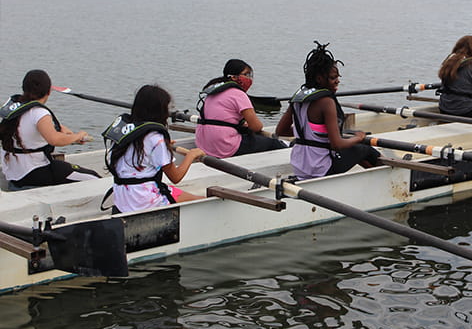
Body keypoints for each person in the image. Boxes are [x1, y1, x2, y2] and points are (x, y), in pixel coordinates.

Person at [275, 41, 381, 180]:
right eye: (332, 78)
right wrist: (358, 138)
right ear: (319, 78)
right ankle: (386, 179)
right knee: (365, 150)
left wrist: (310, 134)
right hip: (321, 168)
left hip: (300, 166)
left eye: (338, 77)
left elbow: (280, 131)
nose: (337, 81)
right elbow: (337, 145)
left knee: (353, 151)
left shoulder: (298, 98)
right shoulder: (327, 102)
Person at [104, 84, 205, 213]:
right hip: (143, 200)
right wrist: (191, 155)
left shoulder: (125, 130)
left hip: (122, 197)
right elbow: (176, 177)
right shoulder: (156, 139)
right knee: (200, 200)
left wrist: (164, 147)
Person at [0, 69, 100, 190]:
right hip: (34, 172)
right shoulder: (39, 113)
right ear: (48, 92)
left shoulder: (16, 108)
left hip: (16, 173)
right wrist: (78, 136)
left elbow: (45, 131)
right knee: (94, 178)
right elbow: (54, 139)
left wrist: (68, 136)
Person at [195, 59, 286, 158]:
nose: (249, 78)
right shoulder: (238, 94)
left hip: (203, 144)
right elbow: (257, 127)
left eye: (250, 75)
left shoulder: (214, 91)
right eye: (246, 74)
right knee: (273, 144)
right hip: (223, 145)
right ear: (234, 77)